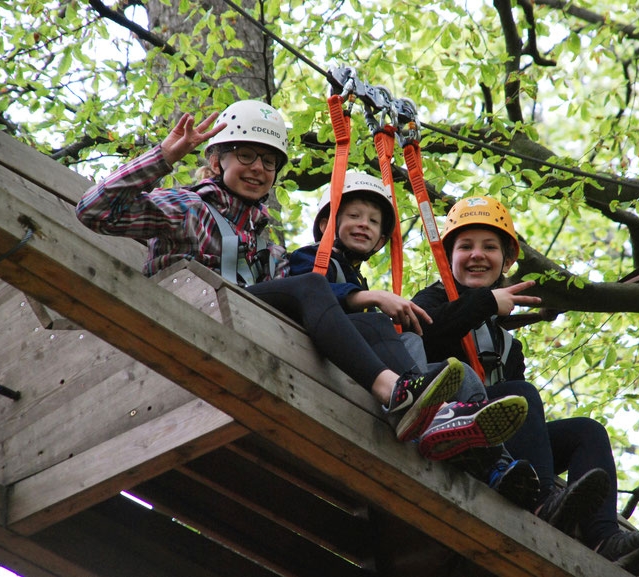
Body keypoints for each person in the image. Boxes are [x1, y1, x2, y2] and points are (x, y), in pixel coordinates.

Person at [75, 99, 465, 446]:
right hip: (191, 315)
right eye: (245, 155)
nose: (258, 169)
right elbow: (94, 211)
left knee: (375, 327)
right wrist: (163, 156)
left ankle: (431, 417)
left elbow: (304, 309)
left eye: (268, 162)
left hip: (249, 329)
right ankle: (392, 390)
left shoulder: (269, 248)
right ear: (215, 161)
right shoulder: (186, 207)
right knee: (311, 284)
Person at [410, 195, 639, 576]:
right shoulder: (432, 300)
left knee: (586, 432)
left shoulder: (507, 344)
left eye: (490, 247)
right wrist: (487, 303)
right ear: (449, 257)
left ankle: (607, 539)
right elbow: (427, 339)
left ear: (507, 261)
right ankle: (542, 501)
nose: (477, 255)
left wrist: (489, 309)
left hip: (497, 440)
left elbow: (522, 421)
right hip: (448, 427)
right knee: (520, 396)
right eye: (465, 247)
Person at [289, 172, 540, 507]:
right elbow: (310, 294)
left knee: (463, 374)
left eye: (373, 221)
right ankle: (424, 404)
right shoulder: (313, 262)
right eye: (353, 216)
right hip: (337, 366)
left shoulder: (505, 343)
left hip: (379, 369)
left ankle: (495, 462)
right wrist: (373, 299)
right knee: (397, 331)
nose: (363, 224)